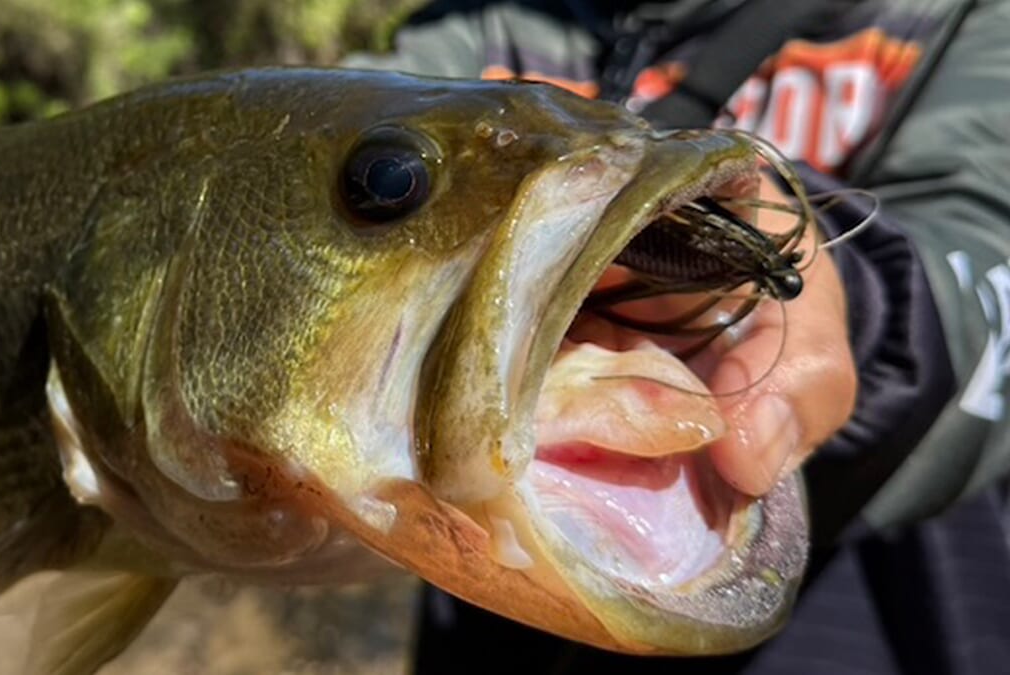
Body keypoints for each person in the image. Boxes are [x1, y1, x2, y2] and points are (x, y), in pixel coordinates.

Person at [344, 0, 1010, 672]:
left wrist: (861, 310)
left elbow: (986, 263)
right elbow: (324, 127)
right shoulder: (478, 25)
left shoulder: (960, 19)